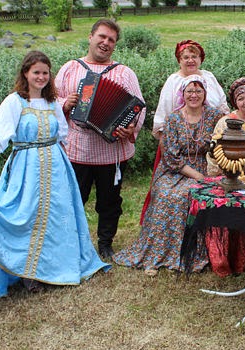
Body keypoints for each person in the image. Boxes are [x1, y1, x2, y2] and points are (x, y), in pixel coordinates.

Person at [0, 51, 109, 298]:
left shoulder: (53, 103)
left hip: (56, 169)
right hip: (27, 170)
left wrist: (66, 172)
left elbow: (62, 137)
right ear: (25, 73)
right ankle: (28, 273)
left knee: (56, 219)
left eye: (45, 73)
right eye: (36, 72)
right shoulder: (14, 102)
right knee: (26, 217)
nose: (41, 77)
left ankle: (55, 267)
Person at [113, 75, 225, 276]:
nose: (194, 95)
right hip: (176, 169)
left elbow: (224, 142)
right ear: (182, 94)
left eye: (198, 91)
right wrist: (198, 177)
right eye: (189, 91)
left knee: (189, 194)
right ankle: (159, 251)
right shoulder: (173, 119)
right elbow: (171, 157)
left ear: (205, 93)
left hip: (206, 166)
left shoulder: (215, 117)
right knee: (166, 194)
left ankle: (192, 252)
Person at [55, 19, 146, 260]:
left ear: (115, 45)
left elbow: (139, 107)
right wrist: (65, 104)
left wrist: (130, 128)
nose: (105, 43)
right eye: (102, 37)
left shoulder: (124, 73)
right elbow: (51, 100)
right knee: (75, 199)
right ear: (91, 37)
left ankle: (106, 243)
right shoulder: (70, 68)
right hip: (77, 149)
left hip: (111, 152)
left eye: (111, 40)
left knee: (110, 201)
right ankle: (73, 242)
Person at [140, 39, 229, 225]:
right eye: (185, 57)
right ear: (179, 60)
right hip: (178, 150)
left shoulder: (209, 78)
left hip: (207, 155)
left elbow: (223, 111)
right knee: (169, 193)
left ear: (200, 59)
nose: (190, 60)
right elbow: (164, 120)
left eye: (194, 56)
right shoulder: (173, 84)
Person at [205, 77, 245, 277]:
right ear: (235, 102)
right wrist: (230, 171)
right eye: (241, 98)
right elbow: (215, 153)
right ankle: (228, 259)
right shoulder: (225, 122)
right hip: (228, 174)